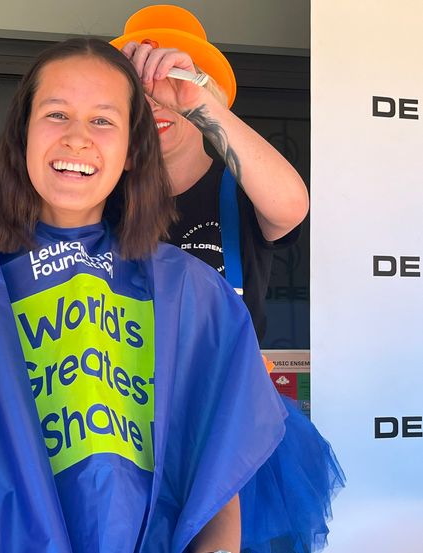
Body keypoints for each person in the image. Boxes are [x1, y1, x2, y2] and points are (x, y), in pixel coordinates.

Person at [0, 38, 289, 552]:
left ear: (133, 149)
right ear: (22, 134)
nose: (77, 137)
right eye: (56, 114)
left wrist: (201, 102)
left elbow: (217, 498)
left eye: (103, 120)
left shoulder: (194, 294)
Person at [112, 6, 344, 553]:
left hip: (233, 428)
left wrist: (197, 101)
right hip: (124, 430)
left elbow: (291, 205)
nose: (157, 101)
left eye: (172, 81)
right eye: (137, 92)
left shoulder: (241, 187)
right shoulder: (101, 199)